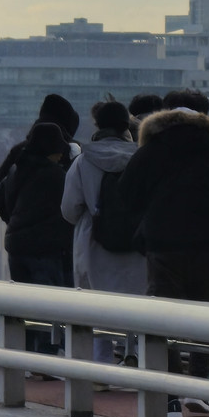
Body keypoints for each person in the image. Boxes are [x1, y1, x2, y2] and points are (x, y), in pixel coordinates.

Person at [119, 91, 209, 417]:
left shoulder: (151, 150)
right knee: (204, 314)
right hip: (206, 246)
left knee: (162, 317)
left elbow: (126, 194)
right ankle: (198, 388)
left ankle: (169, 396)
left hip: (161, 244)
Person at [60, 100, 147, 367]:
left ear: (97, 125)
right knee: (138, 305)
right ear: (127, 125)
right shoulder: (142, 159)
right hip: (137, 244)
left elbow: (70, 209)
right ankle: (135, 354)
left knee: (96, 305)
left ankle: (100, 366)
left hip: (94, 242)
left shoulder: (84, 161)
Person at [0, 123, 75, 359]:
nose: (61, 153)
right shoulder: (56, 175)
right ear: (49, 148)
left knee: (24, 305)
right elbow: (72, 207)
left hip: (17, 245)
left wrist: (13, 220)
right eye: (58, 148)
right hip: (46, 248)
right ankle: (48, 356)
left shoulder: (16, 170)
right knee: (50, 306)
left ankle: (24, 355)